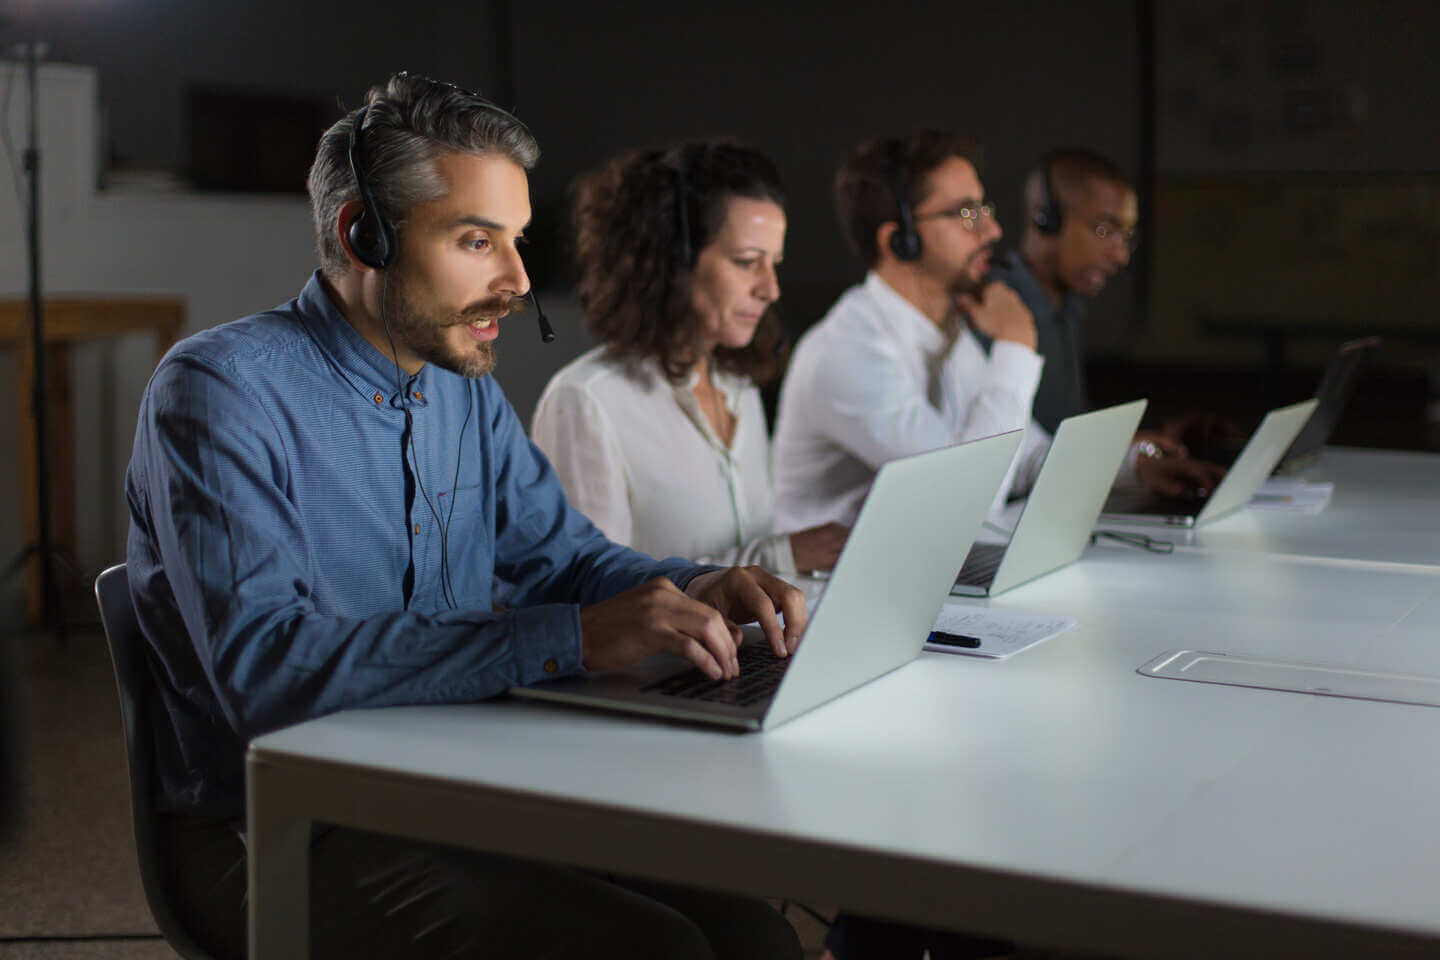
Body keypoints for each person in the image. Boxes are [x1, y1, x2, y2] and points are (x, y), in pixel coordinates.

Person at [124, 72, 805, 960]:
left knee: (756, 935)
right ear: (362, 236)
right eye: (477, 240)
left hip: (449, 784)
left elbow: (566, 561)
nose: (520, 281)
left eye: (517, 241)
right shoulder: (221, 391)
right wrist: (567, 637)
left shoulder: (459, 386)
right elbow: (266, 674)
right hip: (281, 828)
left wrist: (697, 586)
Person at [771, 132, 1222, 539]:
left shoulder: (947, 334)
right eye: (966, 213)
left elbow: (1024, 458)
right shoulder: (845, 352)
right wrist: (1015, 347)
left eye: (983, 208)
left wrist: (1134, 470)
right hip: (817, 597)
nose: (993, 229)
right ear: (900, 241)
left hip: (914, 565)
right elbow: (969, 497)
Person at [531, 141, 847, 574]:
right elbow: (592, 597)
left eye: (774, 263)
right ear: (672, 263)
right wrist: (779, 558)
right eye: (747, 261)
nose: (770, 290)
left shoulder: (739, 386)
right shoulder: (585, 402)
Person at [994, 148, 1230, 482]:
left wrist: (1146, 440)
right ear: (1045, 219)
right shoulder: (994, 308)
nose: (1120, 255)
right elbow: (1010, 455)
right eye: (1105, 230)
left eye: (1127, 237)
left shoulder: (1066, 306)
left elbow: (1060, 433)